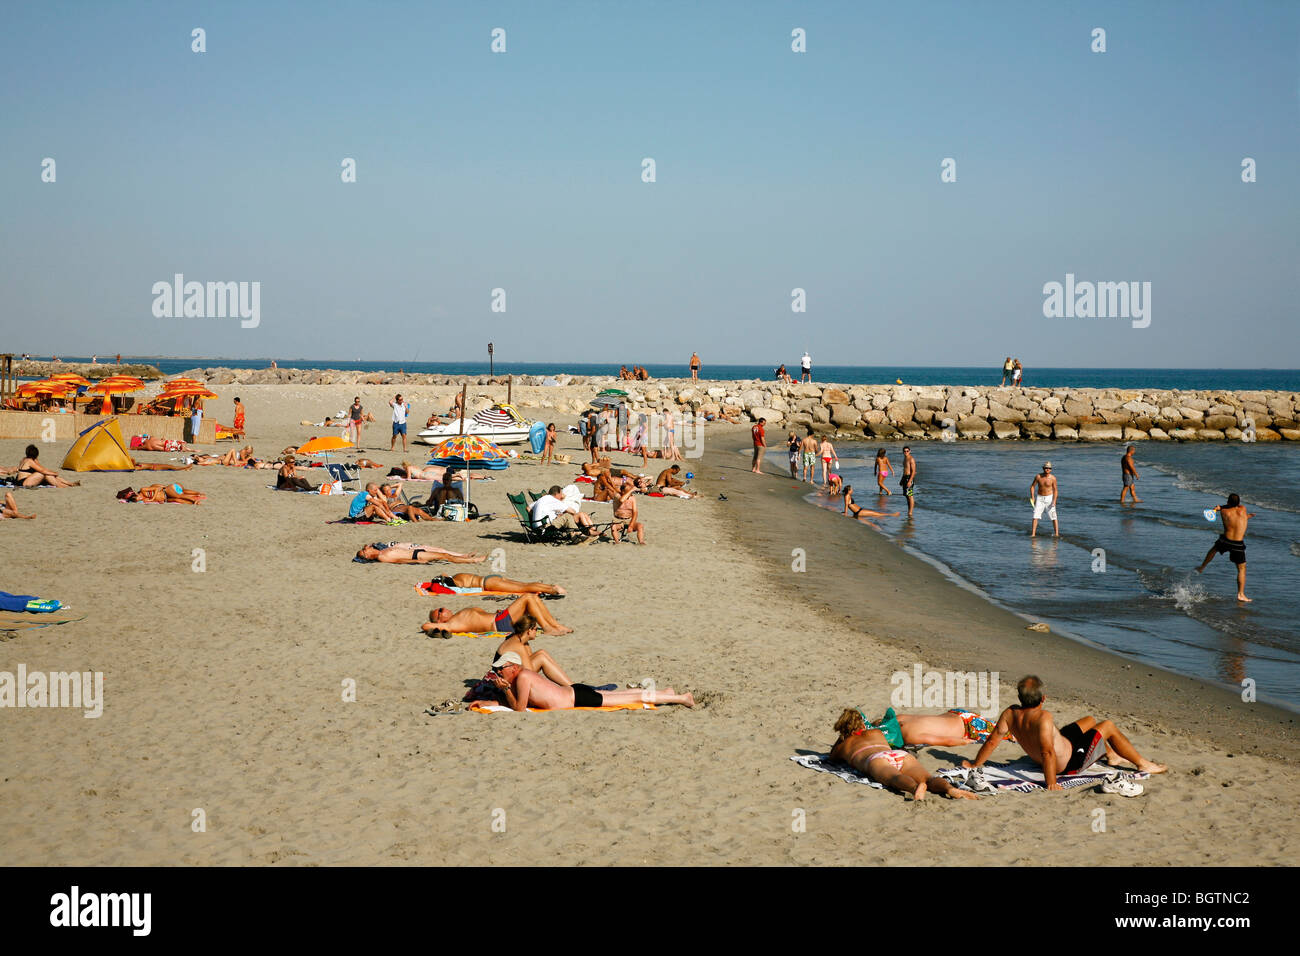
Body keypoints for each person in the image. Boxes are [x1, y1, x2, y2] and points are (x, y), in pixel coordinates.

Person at [966, 676, 1165, 790]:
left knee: (1089, 721)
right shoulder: (1044, 717)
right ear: (1043, 698)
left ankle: (1111, 755)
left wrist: (976, 764)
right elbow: (1047, 753)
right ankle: (1142, 764)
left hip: (1063, 745)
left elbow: (992, 741)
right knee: (1108, 726)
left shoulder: (1010, 713)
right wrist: (1051, 782)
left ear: (1019, 697)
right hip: (1069, 763)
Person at [828, 708, 977, 801]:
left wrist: (841, 738)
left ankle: (914, 789)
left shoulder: (843, 744)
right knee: (928, 778)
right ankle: (949, 789)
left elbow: (831, 758)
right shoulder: (876, 731)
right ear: (861, 724)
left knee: (895, 778)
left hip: (876, 760)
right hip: (899, 754)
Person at [486, 653, 694, 709]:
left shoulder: (522, 677)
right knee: (624, 695)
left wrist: (504, 691)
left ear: (513, 667)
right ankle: (667, 693)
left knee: (633, 697)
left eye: (501, 669)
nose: (498, 672)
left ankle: (682, 698)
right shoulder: (521, 678)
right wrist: (489, 702)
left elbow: (519, 709)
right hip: (575, 693)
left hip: (577, 698)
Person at [1196, 493, 1257, 602]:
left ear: (1228, 502)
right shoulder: (1243, 509)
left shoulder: (1224, 512)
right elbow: (1239, 518)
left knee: (1214, 549)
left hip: (1225, 540)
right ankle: (1241, 594)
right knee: (1241, 569)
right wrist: (1248, 516)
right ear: (1238, 503)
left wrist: (1217, 508)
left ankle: (1202, 567)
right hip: (1238, 544)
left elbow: (1228, 513)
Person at [424, 593, 573, 637]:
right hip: (499, 624)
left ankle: (556, 625)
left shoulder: (457, 617)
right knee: (527, 597)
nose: (445, 609)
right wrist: (436, 628)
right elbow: (426, 626)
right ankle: (547, 627)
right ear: (439, 619)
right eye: (441, 610)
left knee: (533, 597)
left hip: (499, 619)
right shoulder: (451, 624)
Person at [529, 485, 600, 538]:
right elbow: (572, 511)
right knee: (568, 516)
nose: (562, 496)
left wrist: (536, 517)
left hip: (537, 526)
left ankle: (590, 530)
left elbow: (528, 508)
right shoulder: (554, 501)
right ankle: (579, 534)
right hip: (545, 528)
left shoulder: (542, 499)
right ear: (558, 494)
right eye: (561, 494)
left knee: (580, 514)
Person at [428, 573, 565, 596]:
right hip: (490, 578)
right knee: (524, 585)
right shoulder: (457, 576)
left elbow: (449, 591)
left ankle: (552, 590)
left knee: (523, 588)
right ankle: (549, 586)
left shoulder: (456, 583)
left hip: (488, 584)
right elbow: (444, 574)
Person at [355, 542, 485, 564]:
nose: (366, 547)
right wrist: (417, 561)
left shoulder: (381, 550)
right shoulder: (382, 557)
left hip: (416, 551)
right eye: (365, 550)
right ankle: (473, 560)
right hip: (416, 555)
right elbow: (399, 561)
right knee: (445, 557)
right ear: (366, 555)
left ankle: (465, 556)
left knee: (442, 553)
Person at [13, 446, 78, 488]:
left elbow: (42, 468)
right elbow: (42, 471)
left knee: (47, 473)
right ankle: (62, 485)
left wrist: (52, 472)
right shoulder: (29, 461)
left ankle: (69, 483)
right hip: (23, 483)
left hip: (26, 480)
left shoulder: (26, 459)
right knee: (44, 474)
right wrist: (54, 473)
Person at [611, 477, 646, 544]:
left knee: (640, 526)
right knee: (613, 526)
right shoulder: (617, 496)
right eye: (628, 492)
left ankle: (641, 542)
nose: (630, 493)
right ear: (623, 491)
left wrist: (631, 525)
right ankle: (617, 541)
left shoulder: (632, 498)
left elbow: (635, 512)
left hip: (628, 520)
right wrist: (630, 490)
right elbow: (622, 500)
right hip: (618, 520)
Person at [1030, 461, 1058, 537]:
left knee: (1054, 517)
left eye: (1049, 468)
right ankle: (1033, 534)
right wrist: (1032, 496)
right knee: (1035, 516)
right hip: (1040, 498)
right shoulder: (1038, 477)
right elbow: (1032, 486)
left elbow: (1055, 490)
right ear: (1043, 468)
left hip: (1049, 498)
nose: (1047, 469)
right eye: (1046, 468)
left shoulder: (1053, 478)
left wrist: (1054, 501)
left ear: (1051, 469)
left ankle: (1057, 534)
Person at [117, 483, 204, 504]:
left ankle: (194, 499)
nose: (140, 499)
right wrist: (155, 500)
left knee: (180, 494)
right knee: (177, 499)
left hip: (167, 490)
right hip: (166, 497)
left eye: (138, 497)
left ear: (137, 494)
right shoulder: (144, 500)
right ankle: (193, 502)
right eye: (138, 500)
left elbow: (156, 488)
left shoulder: (143, 490)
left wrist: (152, 498)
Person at [900, 445, 917, 517]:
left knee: (910, 495)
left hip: (909, 478)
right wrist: (902, 479)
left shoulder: (911, 459)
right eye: (904, 451)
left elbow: (913, 471)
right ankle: (909, 510)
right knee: (907, 496)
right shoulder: (905, 458)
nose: (906, 452)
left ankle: (910, 512)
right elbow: (905, 470)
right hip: (905, 477)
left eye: (907, 451)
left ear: (910, 451)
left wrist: (909, 481)